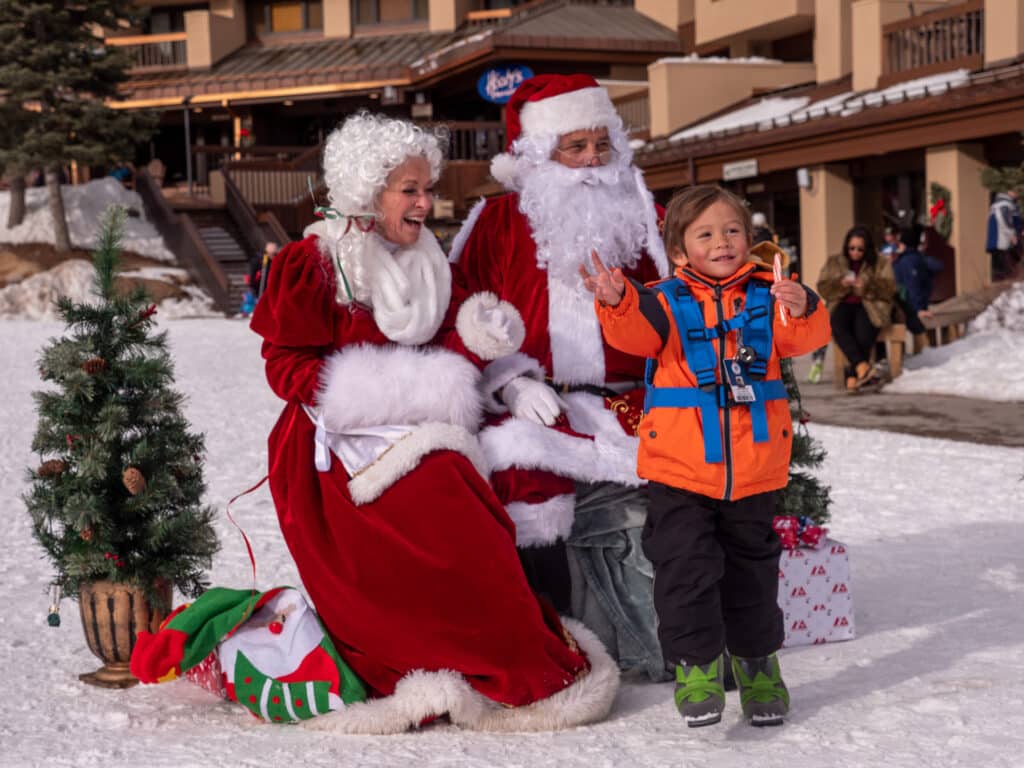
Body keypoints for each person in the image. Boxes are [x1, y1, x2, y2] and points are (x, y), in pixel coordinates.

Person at [250, 112, 617, 733]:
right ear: (369, 192)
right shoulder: (311, 262)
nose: (425, 203)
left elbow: (444, 344)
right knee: (441, 501)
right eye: (410, 191)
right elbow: (286, 366)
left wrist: (478, 340)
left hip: (423, 435)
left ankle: (503, 652)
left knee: (468, 500)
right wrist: (382, 395)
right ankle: (439, 657)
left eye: (428, 189)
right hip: (334, 449)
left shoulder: (427, 261)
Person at [581, 184, 830, 727]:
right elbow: (633, 335)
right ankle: (696, 667)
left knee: (753, 574)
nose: (723, 242)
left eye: (733, 230)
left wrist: (805, 304)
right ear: (677, 251)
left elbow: (804, 337)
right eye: (706, 234)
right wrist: (614, 298)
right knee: (684, 571)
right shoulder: (663, 300)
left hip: (755, 470)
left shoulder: (769, 292)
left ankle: (759, 666)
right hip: (679, 472)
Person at [450, 73, 671, 681]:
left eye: (602, 144)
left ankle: (654, 635)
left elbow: (685, 309)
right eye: (575, 147)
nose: (593, 161)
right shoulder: (494, 223)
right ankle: (552, 644)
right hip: (535, 406)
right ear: (537, 155)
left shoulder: (646, 214)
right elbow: (461, 315)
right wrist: (512, 383)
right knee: (524, 488)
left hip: (634, 409)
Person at [816, 225, 896, 393]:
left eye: (860, 249)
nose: (855, 252)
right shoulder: (835, 262)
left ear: (867, 249)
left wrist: (867, 286)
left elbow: (889, 289)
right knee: (836, 324)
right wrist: (840, 284)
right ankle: (862, 368)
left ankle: (853, 374)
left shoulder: (879, 263)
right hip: (841, 303)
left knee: (864, 332)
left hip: (870, 305)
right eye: (852, 248)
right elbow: (823, 287)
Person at [892, 227, 942, 352]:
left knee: (913, 328)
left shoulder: (907, 261)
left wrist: (918, 309)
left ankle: (918, 353)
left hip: (909, 307)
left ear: (904, 244)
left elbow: (912, 287)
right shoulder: (918, 258)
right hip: (917, 304)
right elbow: (937, 266)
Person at [986, 188, 1022, 281]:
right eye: (1016, 190)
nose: (1018, 193)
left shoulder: (1009, 203)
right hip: (1001, 241)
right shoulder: (1003, 204)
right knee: (1003, 269)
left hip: (1003, 241)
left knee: (1008, 266)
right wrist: (1012, 234)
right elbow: (1004, 221)